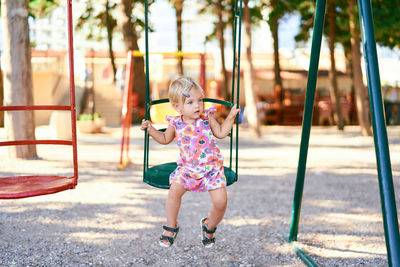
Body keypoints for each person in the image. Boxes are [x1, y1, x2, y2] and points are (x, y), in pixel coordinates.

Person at [141, 77, 240, 248]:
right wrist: (150, 129)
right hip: (187, 169)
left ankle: (209, 226)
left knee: (221, 202)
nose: (197, 105)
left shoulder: (206, 118)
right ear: (177, 107)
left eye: (200, 100)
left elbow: (222, 132)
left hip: (211, 169)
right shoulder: (176, 123)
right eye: (190, 102)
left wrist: (230, 117)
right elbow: (164, 139)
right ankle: (171, 226)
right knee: (174, 193)